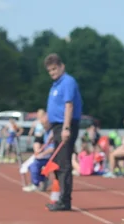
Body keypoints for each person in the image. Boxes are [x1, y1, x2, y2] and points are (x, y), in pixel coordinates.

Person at [43, 53, 82, 212]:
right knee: (58, 164)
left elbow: (69, 106)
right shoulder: (55, 85)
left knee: (64, 165)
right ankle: (60, 198)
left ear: (61, 66)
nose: (52, 73)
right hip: (57, 126)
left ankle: (65, 201)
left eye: (54, 69)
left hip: (67, 124)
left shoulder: (67, 82)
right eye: (50, 71)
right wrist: (53, 130)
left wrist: (66, 128)